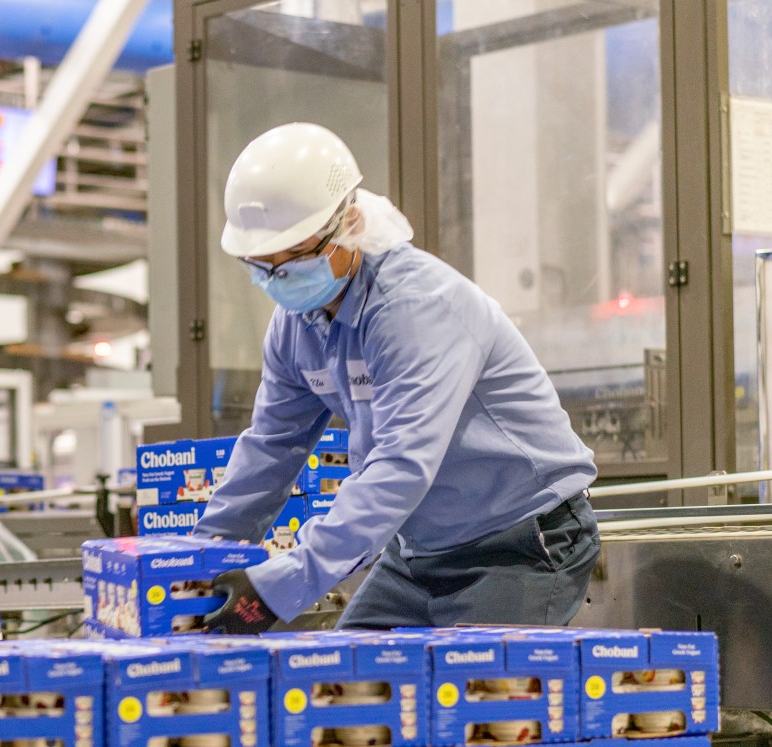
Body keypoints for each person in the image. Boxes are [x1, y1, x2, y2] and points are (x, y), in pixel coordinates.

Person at [196, 123, 600, 635]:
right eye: (263, 268)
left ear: (349, 224)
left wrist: (284, 583)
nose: (280, 282)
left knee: (479, 705)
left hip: (518, 543)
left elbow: (401, 466)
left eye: (295, 260)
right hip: (417, 553)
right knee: (343, 699)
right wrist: (196, 564)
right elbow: (272, 449)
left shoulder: (414, 308)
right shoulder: (295, 326)